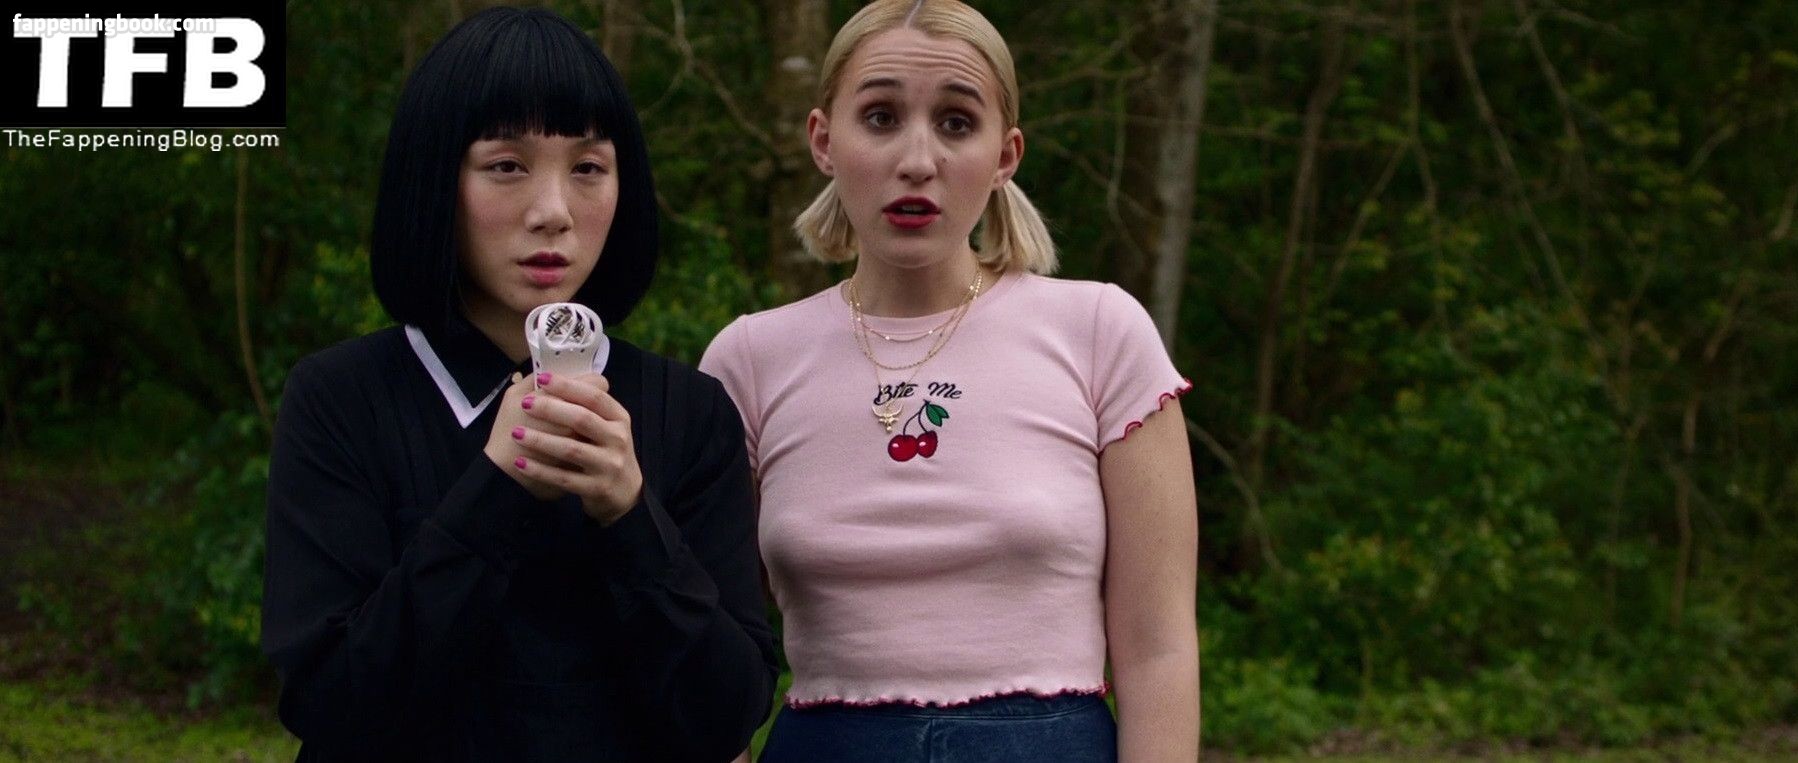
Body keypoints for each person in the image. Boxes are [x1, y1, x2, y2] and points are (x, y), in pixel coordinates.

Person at [261, 8, 775, 761]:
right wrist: (496, 489)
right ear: (435, 177)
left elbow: (726, 717)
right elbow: (331, 702)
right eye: (506, 165)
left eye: (588, 168)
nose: (553, 212)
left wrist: (630, 514)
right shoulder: (340, 399)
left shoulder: (689, 413)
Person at [699, 1, 1199, 760]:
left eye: (957, 123)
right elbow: (707, 649)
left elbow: (1159, 648)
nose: (917, 159)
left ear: (1005, 154)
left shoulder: (1100, 332)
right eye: (880, 117)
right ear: (824, 140)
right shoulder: (748, 359)